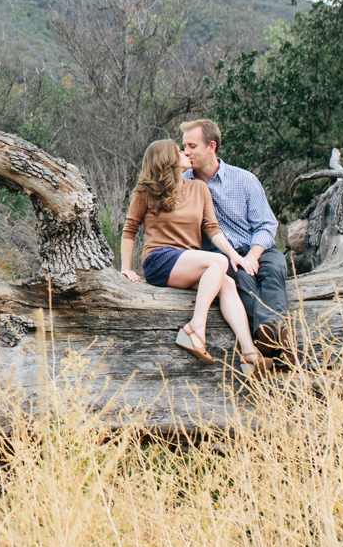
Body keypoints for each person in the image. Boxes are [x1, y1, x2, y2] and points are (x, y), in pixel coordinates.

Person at [119, 138, 263, 371]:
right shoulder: (146, 191)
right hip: (159, 259)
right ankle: (196, 327)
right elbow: (129, 230)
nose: (185, 152)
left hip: (189, 260)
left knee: (226, 283)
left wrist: (233, 255)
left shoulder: (199, 188)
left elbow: (212, 229)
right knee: (217, 261)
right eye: (178, 150)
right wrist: (126, 268)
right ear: (167, 159)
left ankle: (249, 355)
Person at [179, 118, 290, 354]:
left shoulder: (244, 179)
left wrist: (253, 255)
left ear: (211, 146)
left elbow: (266, 224)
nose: (186, 152)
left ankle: (271, 330)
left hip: (255, 247)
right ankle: (275, 343)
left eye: (192, 146)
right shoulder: (183, 183)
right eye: (184, 147)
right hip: (219, 254)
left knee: (274, 270)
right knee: (243, 281)